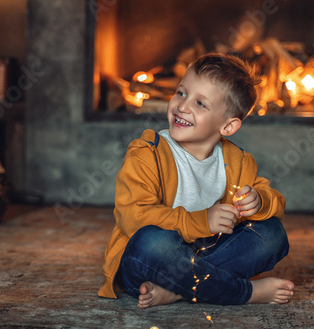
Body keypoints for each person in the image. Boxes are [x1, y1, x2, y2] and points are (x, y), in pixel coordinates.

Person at [98, 53, 294, 308]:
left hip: (205, 256)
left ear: (228, 127)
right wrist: (202, 221)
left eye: (200, 103)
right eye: (181, 93)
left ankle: (178, 291)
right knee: (152, 242)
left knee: (273, 234)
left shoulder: (237, 161)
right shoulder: (148, 152)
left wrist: (260, 202)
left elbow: (275, 203)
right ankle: (244, 293)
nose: (182, 106)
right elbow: (132, 217)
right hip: (150, 265)